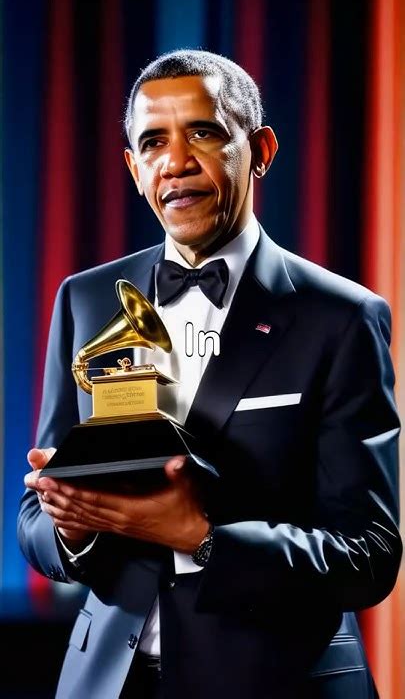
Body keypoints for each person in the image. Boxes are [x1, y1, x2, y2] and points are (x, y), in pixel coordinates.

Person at [19, 49, 401, 699]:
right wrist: (70, 528)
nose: (175, 161)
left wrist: (201, 538)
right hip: (103, 683)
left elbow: (368, 554)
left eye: (203, 132)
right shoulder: (85, 299)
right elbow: (35, 514)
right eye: (153, 142)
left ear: (260, 151)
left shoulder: (341, 317)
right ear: (133, 168)